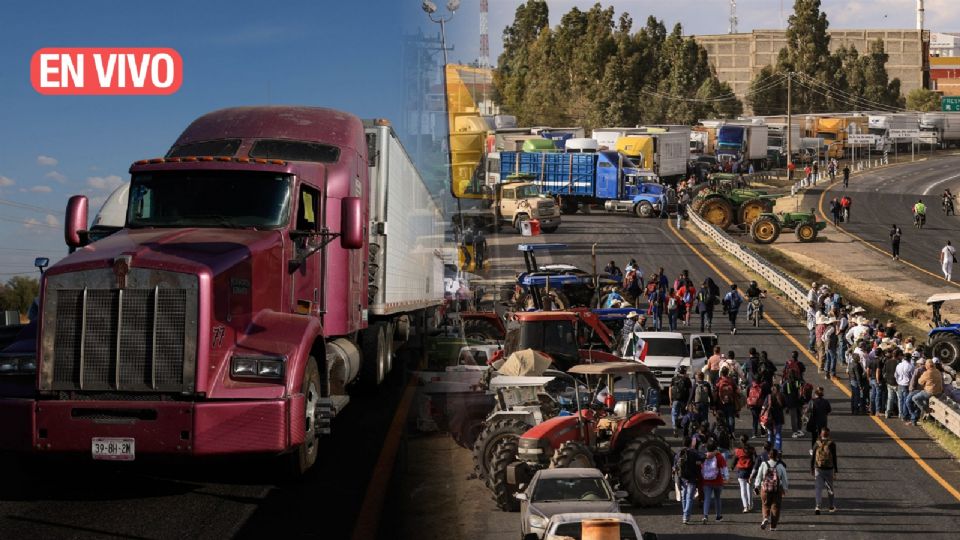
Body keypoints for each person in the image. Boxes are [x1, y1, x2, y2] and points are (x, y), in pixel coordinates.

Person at [754, 448, 789, 531]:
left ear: (769, 455)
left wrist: (756, 486)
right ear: (777, 456)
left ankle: (765, 517)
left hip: (765, 489)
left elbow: (759, 476)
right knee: (775, 507)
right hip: (777, 489)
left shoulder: (763, 464)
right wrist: (785, 489)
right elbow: (785, 479)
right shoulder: (780, 466)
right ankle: (773, 526)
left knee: (765, 505)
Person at [674, 438, 703, 525]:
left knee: (683, 497)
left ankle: (685, 513)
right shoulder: (693, 452)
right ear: (690, 443)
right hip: (692, 478)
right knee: (689, 498)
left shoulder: (678, 453)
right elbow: (702, 458)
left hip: (682, 478)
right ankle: (686, 516)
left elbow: (675, 465)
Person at [811, 427, 838, 515]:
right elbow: (834, 457)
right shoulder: (832, 444)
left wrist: (812, 468)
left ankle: (818, 506)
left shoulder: (817, 443)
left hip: (818, 468)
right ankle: (831, 506)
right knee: (830, 488)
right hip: (829, 469)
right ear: (828, 434)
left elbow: (813, 457)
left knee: (818, 488)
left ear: (821, 434)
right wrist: (835, 470)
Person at [908, 359, 944, 425]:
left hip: (930, 392)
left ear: (927, 366)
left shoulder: (927, 373)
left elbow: (920, 382)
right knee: (925, 399)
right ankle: (928, 417)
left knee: (915, 398)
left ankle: (926, 409)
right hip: (939, 392)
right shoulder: (938, 371)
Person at [700, 440, 728, 523]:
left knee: (707, 499)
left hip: (706, 480)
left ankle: (705, 516)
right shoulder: (719, 456)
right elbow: (724, 468)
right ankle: (718, 517)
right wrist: (726, 478)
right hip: (718, 481)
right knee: (717, 498)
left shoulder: (703, 456)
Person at [782, 351, 807, 437]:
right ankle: (799, 430)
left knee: (793, 417)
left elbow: (784, 392)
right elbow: (801, 387)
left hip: (791, 401)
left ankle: (794, 431)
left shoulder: (787, 383)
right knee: (799, 414)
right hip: (798, 399)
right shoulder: (798, 381)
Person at [733, 434, 757, 513]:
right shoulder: (752, 449)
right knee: (749, 489)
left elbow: (735, 460)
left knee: (743, 489)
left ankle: (745, 506)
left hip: (741, 471)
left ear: (740, 440)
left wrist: (732, 467)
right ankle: (751, 505)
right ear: (747, 440)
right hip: (750, 471)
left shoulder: (738, 450)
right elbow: (756, 458)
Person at [670, 366, 693, 436]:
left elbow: (670, 389)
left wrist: (670, 400)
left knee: (674, 414)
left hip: (675, 400)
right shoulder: (687, 379)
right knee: (684, 415)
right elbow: (690, 391)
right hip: (684, 400)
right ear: (685, 371)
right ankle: (684, 428)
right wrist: (689, 401)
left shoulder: (674, 378)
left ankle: (674, 426)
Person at [763, 384, 786, 451]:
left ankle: (769, 449)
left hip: (770, 418)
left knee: (770, 434)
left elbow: (764, 406)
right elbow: (784, 406)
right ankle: (778, 449)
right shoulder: (781, 396)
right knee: (778, 434)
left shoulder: (769, 396)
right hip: (779, 417)